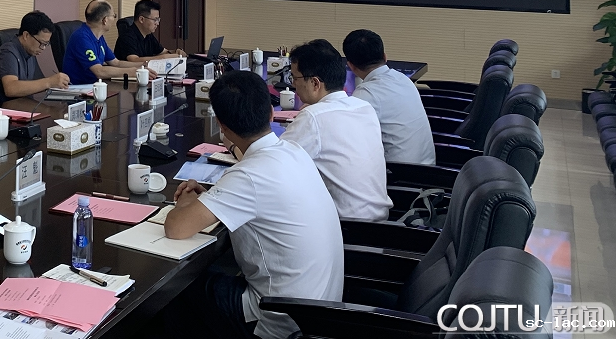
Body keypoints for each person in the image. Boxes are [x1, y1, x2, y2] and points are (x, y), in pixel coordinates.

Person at [162, 71, 343, 339]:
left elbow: (176, 228)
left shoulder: (248, 176)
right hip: (321, 310)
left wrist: (188, 200)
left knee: (175, 290)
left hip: (279, 320)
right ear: (270, 113)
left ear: (221, 126)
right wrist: (213, 196)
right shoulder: (294, 151)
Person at [280, 39, 390, 222]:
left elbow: (271, 164)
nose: (293, 85)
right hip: (381, 222)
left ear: (315, 83)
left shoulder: (313, 117)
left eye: (295, 78)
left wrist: (235, 146)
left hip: (345, 227)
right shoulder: (364, 107)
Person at [343, 29, 437, 165]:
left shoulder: (365, 95)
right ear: (385, 56)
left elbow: (348, 139)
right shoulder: (403, 79)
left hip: (401, 173)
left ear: (350, 66)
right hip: (428, 167)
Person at [0, 11, 71, 107]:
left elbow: (34, 84)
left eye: (46, 44)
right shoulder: (8, 53)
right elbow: (11, 88)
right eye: (41, 43)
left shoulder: (30, 51)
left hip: (22, 107)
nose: (43, 48)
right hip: (2, 112)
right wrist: (49, 82)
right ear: (26, 35)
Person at [62, 0, 153, 85]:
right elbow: (99, 71)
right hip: (79, 89)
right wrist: (132, 71)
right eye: (114, 16)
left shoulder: (98, 36)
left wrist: (144, 65)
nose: (114, 19)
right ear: (105, 20)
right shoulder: (81, 38)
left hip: (95, 86)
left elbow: (116, 63)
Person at [114, 0, 185, 62]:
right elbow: (134, 60)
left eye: (158, 20)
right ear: (141, 19)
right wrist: (163, 57)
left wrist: (175, 52)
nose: (157, 23)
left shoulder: (148, 35)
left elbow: (163, 52)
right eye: (155, 20)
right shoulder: (127, 36)